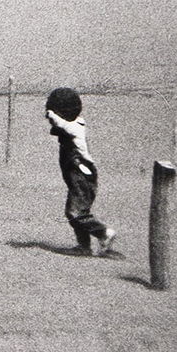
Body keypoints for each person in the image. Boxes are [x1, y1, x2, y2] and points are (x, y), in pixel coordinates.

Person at [44, 87, 116, 255]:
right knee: (79, 212)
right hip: (76, 175)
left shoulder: (74, 127)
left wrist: (51, 113)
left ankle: (104, 233)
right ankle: (84, 247)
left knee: (75, 213)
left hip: (82, 175)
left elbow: (61, 124)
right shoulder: (71, 125)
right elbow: (58, 127)